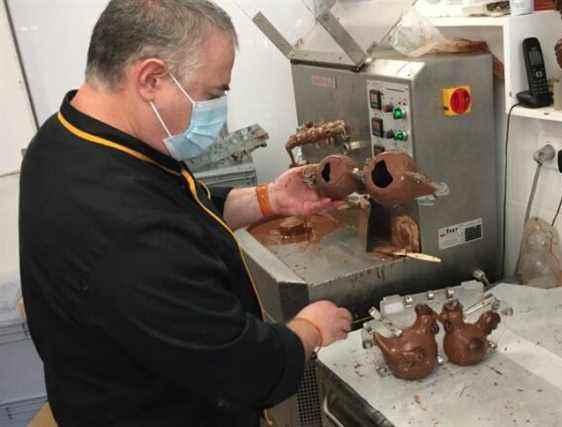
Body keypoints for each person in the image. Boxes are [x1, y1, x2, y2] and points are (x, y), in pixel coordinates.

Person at [18, 1, 352, 426]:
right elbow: (248, 371)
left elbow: (176, 204)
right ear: (151, 78)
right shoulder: (125, 231)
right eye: (212, 94)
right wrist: (312, 329)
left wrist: (270, 199)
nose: (218, 109)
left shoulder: (67, 138)